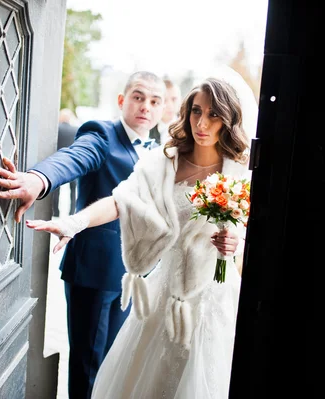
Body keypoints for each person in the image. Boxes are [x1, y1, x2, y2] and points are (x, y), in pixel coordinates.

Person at [25, 75, 254, 399]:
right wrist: (75, 222)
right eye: (196, 111)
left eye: (214, 114)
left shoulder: (239, 168)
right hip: (166, 289)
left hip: (215, 295)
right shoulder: (169, 160)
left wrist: (236, 244)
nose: (202, 123)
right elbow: (121, 201)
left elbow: (249, 230)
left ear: (228, 119)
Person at [0, 71, 168, 399]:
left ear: (161, 110)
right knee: (88, 366)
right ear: (122, 100)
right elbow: (72, 158)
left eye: (155, 101)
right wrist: (39, 178)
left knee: (114, 363)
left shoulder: (158, 152)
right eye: (138, 97)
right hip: (94, 271)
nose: (146, 106)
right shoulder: (102, 135)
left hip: (134, 276)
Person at [53, 108, 80, 217]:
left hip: (58, 163)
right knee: (73, 189)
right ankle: (72, 211)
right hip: (73, 164)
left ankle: (56, 211)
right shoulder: (76, 130)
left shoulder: (57, 129)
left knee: (56, 189)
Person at [148, 77, 182, 145]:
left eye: (174, 99)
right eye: (165, 100)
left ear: (180, 101)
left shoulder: (186, 127)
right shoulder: (147, 128)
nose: (169, 105)